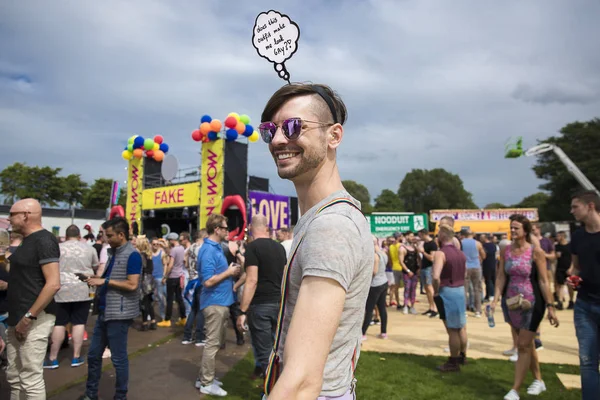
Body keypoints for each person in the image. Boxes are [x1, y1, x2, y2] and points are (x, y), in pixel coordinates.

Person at [259, 83, 373, 399]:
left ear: (334, 136)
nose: (280, 139)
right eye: (271, 130)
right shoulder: (324, 218)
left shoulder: (332, 226)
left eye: (294, 127)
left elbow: (302, 380)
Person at [491, 214, 559, 400]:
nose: (513, 231)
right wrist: (495, 299)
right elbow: (501, 277)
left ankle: (515, 390)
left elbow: (544, 281)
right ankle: (539, 380)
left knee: (522, 345)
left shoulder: (535, 252)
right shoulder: (506, 251)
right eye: (511, 228)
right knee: (527, 345)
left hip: (533, 303)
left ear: (526, 231)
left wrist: (551, 306)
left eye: (516, 228)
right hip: (512, 303)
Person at [80, 217, 142, 400]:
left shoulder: (132, 255)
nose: (106, 239)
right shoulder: (114, 252)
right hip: (106, 311)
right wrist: (94, 278)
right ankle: (91, 394)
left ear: (121, 235)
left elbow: (132, 284)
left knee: (118, 358)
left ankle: (120, 396)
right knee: (93, 355)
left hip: (119, 314)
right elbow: (113, 278)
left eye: (109, 235)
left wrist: (104, 281)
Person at [6, 199, 61, 399]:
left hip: (33, 319)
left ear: (26, 215)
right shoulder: (27, 240)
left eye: (12, 214)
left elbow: (53, 283)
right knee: (14, 375)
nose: (9, 218)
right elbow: (25, 276)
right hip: (16, 316)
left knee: (30, 378)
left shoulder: (44, 240)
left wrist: (29, 317)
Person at [196, 214, 241, 396]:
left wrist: (228, 270)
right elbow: (207, 281)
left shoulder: (213, 248)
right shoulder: (208, 250)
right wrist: (229, 272)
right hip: (214, 303)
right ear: (217, 229)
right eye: (225, 228)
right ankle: (206, 383)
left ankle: (204, 377)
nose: (227, 231)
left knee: (215, 343)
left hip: (220, 302)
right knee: (212, 344)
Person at [236, 214, 286, 376]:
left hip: (261, 306)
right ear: (267, 228)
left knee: (265, 353)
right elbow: (286, 277)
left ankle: (272, 390)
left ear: (250, 228)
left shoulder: (252, 248)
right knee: (277, 348)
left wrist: (242, 311)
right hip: (278, 304)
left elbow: (251, 280)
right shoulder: (279, 247)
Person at [45, 224, 98, 369]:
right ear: (79, 235)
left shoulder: (58, 248)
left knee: (59, 323)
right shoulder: (89, 248)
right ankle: (76, 357)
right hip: (83, 287)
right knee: (79, 322)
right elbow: (95, 265)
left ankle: (53, 358)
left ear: (66, 235)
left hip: (61, 287)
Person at [567, 190, 600, 400]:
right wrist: (572, 277)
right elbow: (575, 267)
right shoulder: (578, 235)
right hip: (585, 305)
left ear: (590, 206)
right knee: (587, 361)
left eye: (575, 206)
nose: (572, 211)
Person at [432, 224, 468, 372]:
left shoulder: (441, 253)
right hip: (460, 290)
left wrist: (435, 290)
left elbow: (435, 276)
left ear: (442, 236)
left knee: (452, 329)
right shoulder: (460, 253)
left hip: (448, 290)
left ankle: (453, 362)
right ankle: (462, 355)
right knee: (461, 327)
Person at [182, 229, 207, 346]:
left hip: (191, 280)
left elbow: (185, 263)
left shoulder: (190, 248)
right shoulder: (202, 248)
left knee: (193, 309)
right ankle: (200, 337)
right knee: (201, 310)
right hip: (200, 280)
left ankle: (187, 336)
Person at [362, 236, 389, 340]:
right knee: (382, 308)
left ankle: (363, 333)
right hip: (384, 282)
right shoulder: (383, 254)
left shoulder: (375, 256)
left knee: (369, 309)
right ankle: (383, 332)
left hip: (375, 284)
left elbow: (374, 271)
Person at [157, 232, 186, 327]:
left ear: (172, 240)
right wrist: (166, 247)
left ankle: (167, 320)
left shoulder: (174, 250)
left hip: (172, 276)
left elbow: (170, 264)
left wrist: (165, 276)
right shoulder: (181, 248)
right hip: (179, 275)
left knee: (169, 299)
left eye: (169, 240)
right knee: (179, 298)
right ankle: (183, 318)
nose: (169, 242)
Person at [461, 229, 485, 317]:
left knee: (464, 289)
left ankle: (463, 310)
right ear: (473, 234)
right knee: (477, 289)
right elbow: (483, 255)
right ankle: (478, 310)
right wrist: (480, 260)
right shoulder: (477, 243)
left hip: (465, 267)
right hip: (476, 266)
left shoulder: (461, 243)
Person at [136, 236, 156, 331]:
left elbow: (142, 269)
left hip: (144, 281)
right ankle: (152, 321)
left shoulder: (141, 255)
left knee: (144, 302)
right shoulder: (149, 255)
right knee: (149, 302)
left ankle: (144, 323)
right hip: (150, 281)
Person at [418, 229, 438, 317]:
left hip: (429, 268)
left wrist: (423, 252)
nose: (419, 237)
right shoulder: (425, 243)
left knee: (430, 288)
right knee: (426, 288)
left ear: (424, 234)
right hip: (424, 267)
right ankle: (431, 307)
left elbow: (432, 258)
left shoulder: (432, 244)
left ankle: (435, 308)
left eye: (420, 235)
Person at [399, 231, 420, 314]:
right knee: (407, 288)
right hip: (406, 272)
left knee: (413, 289)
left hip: (415, 271)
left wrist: (419, 268)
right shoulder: (402, 248)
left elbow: (418, 258)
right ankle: (405, 305)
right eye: (410, 236)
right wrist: (407, 271)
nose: (412, 238)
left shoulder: (415, 247)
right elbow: (401, 261)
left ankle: (412, 306)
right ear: (406, 236)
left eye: (413, 236)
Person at [554, 231, 574, 310]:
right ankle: (560, 302)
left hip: (568, 268)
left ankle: (571, 301)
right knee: (560, 285)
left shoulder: (570, 246)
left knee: (570, 286)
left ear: (562, 236)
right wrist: (556, 255)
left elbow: (573, 258)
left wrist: (571, 268)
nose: (557, 238)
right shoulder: (557, 246)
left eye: (558, 236)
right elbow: (555, 257)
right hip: (560, 268)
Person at [481, 234, 497, 302]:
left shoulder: (483, 246)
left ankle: (488, 296)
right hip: (493, 264)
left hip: (486, 265)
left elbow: (483, 255)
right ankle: (495, 295)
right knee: (493, 280)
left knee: (487, 281)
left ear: (485, 238)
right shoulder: (494, 245)